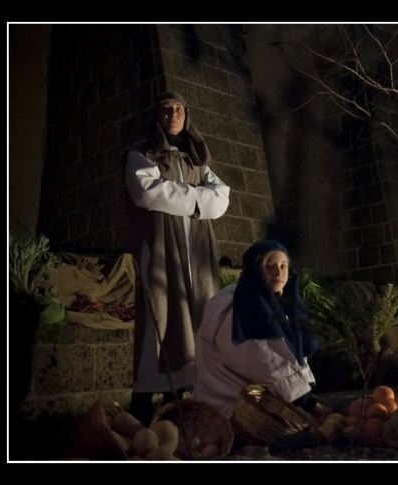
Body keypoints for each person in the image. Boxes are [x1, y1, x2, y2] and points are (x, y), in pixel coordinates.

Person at [124, 91, 230, 425]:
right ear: (157, 115)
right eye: (167, 108)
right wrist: (198, 200)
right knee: (160, 313)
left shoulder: (195, 157)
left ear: (187, 116)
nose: (174, 113)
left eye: (180, 108)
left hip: (197, 251)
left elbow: (223, 198)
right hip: (161, 247)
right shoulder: (142, 152)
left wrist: (194, 200)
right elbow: (147, 192)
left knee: (195, 318)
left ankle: (179, 397)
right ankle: (141, 400)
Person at [194, 239, 332, 423]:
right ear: (255, 269)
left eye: (284, 266)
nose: (278, 273)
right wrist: (306, 401)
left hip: (254, 400)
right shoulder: (243, 306)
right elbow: (260, 358)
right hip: (229, 406)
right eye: (270, 266)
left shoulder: (270, 303)